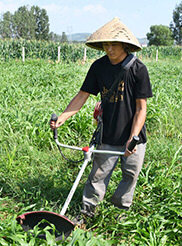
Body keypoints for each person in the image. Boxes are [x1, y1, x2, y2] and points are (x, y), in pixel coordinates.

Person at [50, 17, 153, 221]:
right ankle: (86, 213)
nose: (109, 48)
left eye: (113, 44)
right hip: (108, 133)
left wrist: (133, 138)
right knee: (98, 175)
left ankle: (121, 211)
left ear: (124, 45)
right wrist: (63, 117)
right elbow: (82, 95)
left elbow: (141, 108)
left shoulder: (138, 69)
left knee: (131, 174)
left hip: (133, 134)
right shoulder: (99, 67)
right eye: (106, 44)